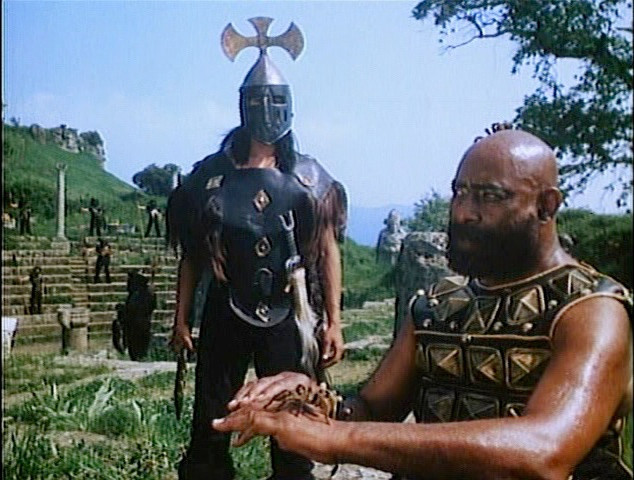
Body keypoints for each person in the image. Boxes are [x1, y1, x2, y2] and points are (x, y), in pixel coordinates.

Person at [214, 127, 633, 480]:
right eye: (459, 192)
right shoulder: (438, 306)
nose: (464, 212)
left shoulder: (591, 311)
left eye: (489, 196)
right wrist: (309, 399)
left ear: (546, 206)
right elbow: (370, 409)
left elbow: (544, 452)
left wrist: (339, 439)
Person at [167, 17, 347, 480]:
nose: (267, 109)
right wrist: (181, 319)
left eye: (276, 100)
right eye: (258, 100)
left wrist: (333, 322)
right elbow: (193, 255)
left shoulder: (309, 178)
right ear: (244, 105)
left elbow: (327, 250)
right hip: (227, 306)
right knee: (212, 415)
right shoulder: (211, 177)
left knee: (293, 417)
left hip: (289, 309)